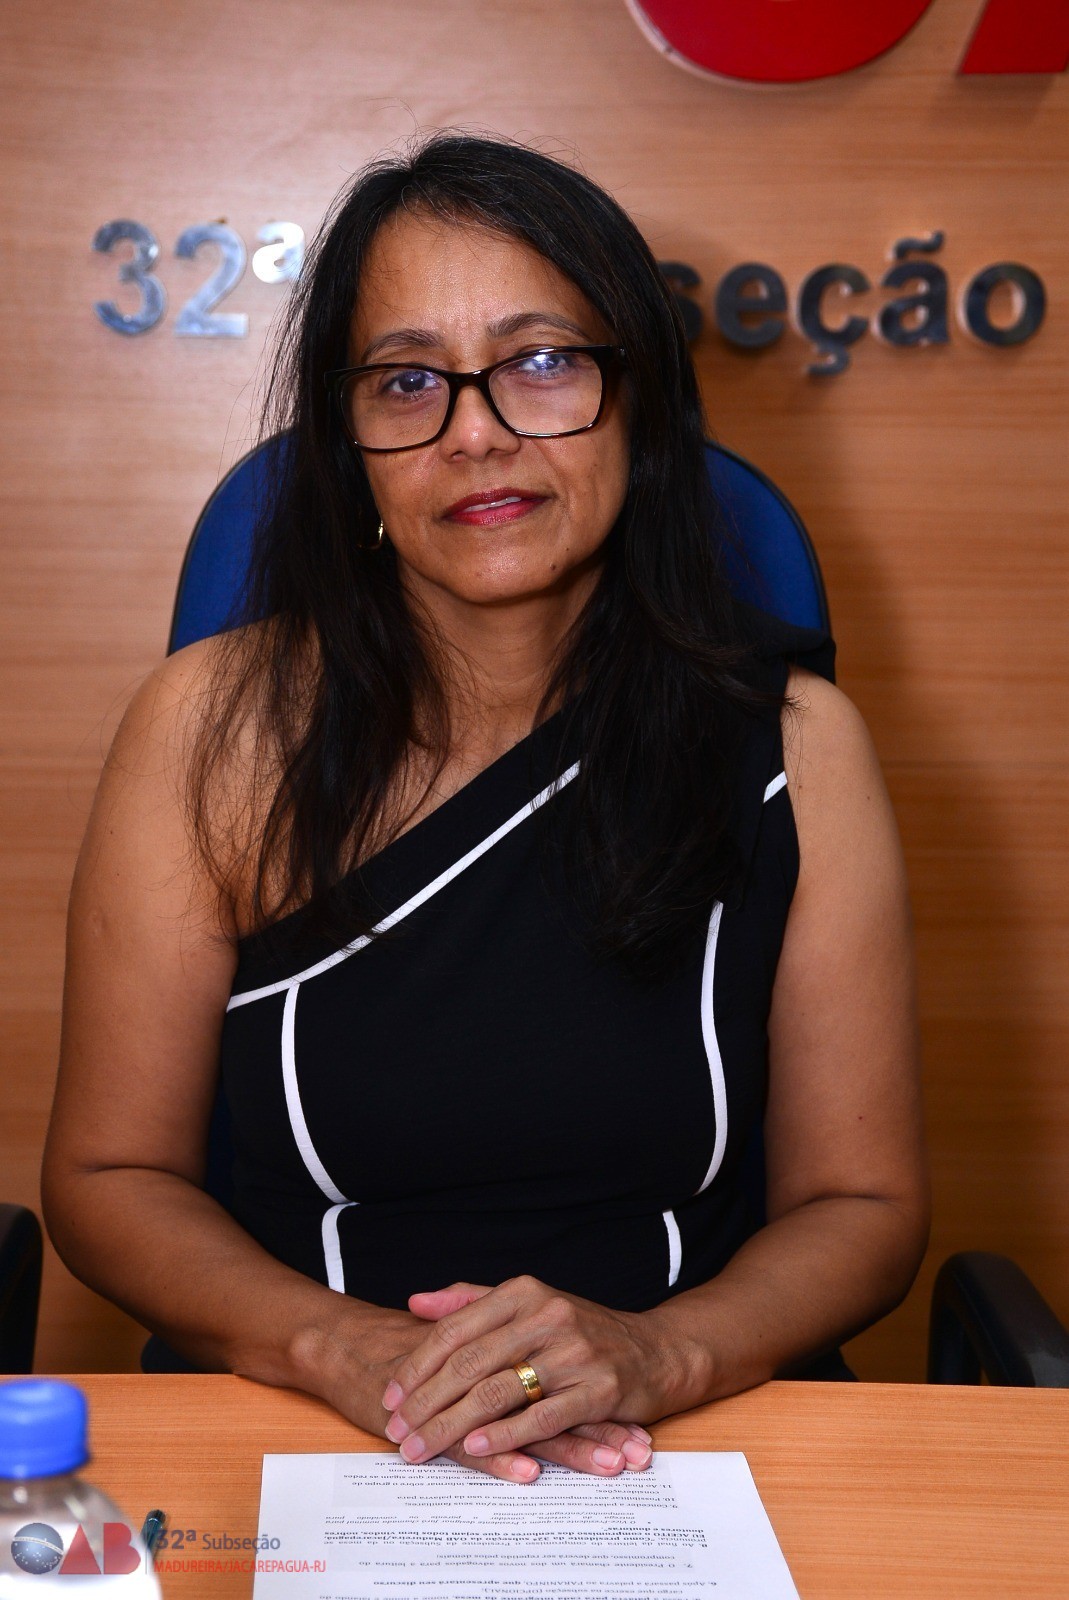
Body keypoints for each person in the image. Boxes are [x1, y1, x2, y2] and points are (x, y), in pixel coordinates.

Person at [43, 133, 928, 1485]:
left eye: (541, 362)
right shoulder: (211, 730)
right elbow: (110, 1179)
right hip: (309, 1420)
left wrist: (660, 1353)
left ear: (639, 402)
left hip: (682, 1439)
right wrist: (343, 1348)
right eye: (407, 381)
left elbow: (860, 1205)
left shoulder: (796, 746)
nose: (474, 432)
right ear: (348, 444)